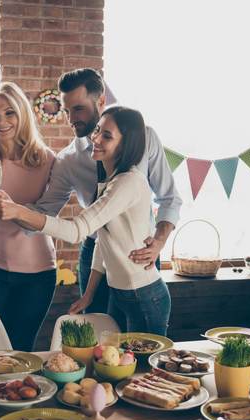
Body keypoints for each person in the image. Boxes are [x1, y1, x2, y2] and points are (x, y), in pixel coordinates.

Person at [0, 106, 171, 335]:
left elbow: (77, 231)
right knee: (115, 366)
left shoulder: (128, 183)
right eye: (98, 131)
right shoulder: (110, 181)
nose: (96, 139)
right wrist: (89, 295)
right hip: (120, 293)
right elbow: (104, 242)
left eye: (107, 136)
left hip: (144, 296)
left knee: (142, 369)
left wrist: (18, 212)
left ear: (125, 145)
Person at [33, 68, 182, 327]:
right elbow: (47, 212)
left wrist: (158, 243)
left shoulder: (144, 140)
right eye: (66, 111)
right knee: (97, 335)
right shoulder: (68, 159)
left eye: (78, 109)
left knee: (136, 344)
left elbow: (169, 198)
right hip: (96, 250)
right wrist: (5, 212)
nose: (71, 119)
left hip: (140, 251)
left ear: (101, 101)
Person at [0, 82, 57, 351]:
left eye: (9, 113)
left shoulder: (47, 160)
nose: (2, 122)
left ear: (22, 113)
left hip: (38, 273)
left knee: (22, 349)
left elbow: (50, 216)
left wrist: (14, 209)